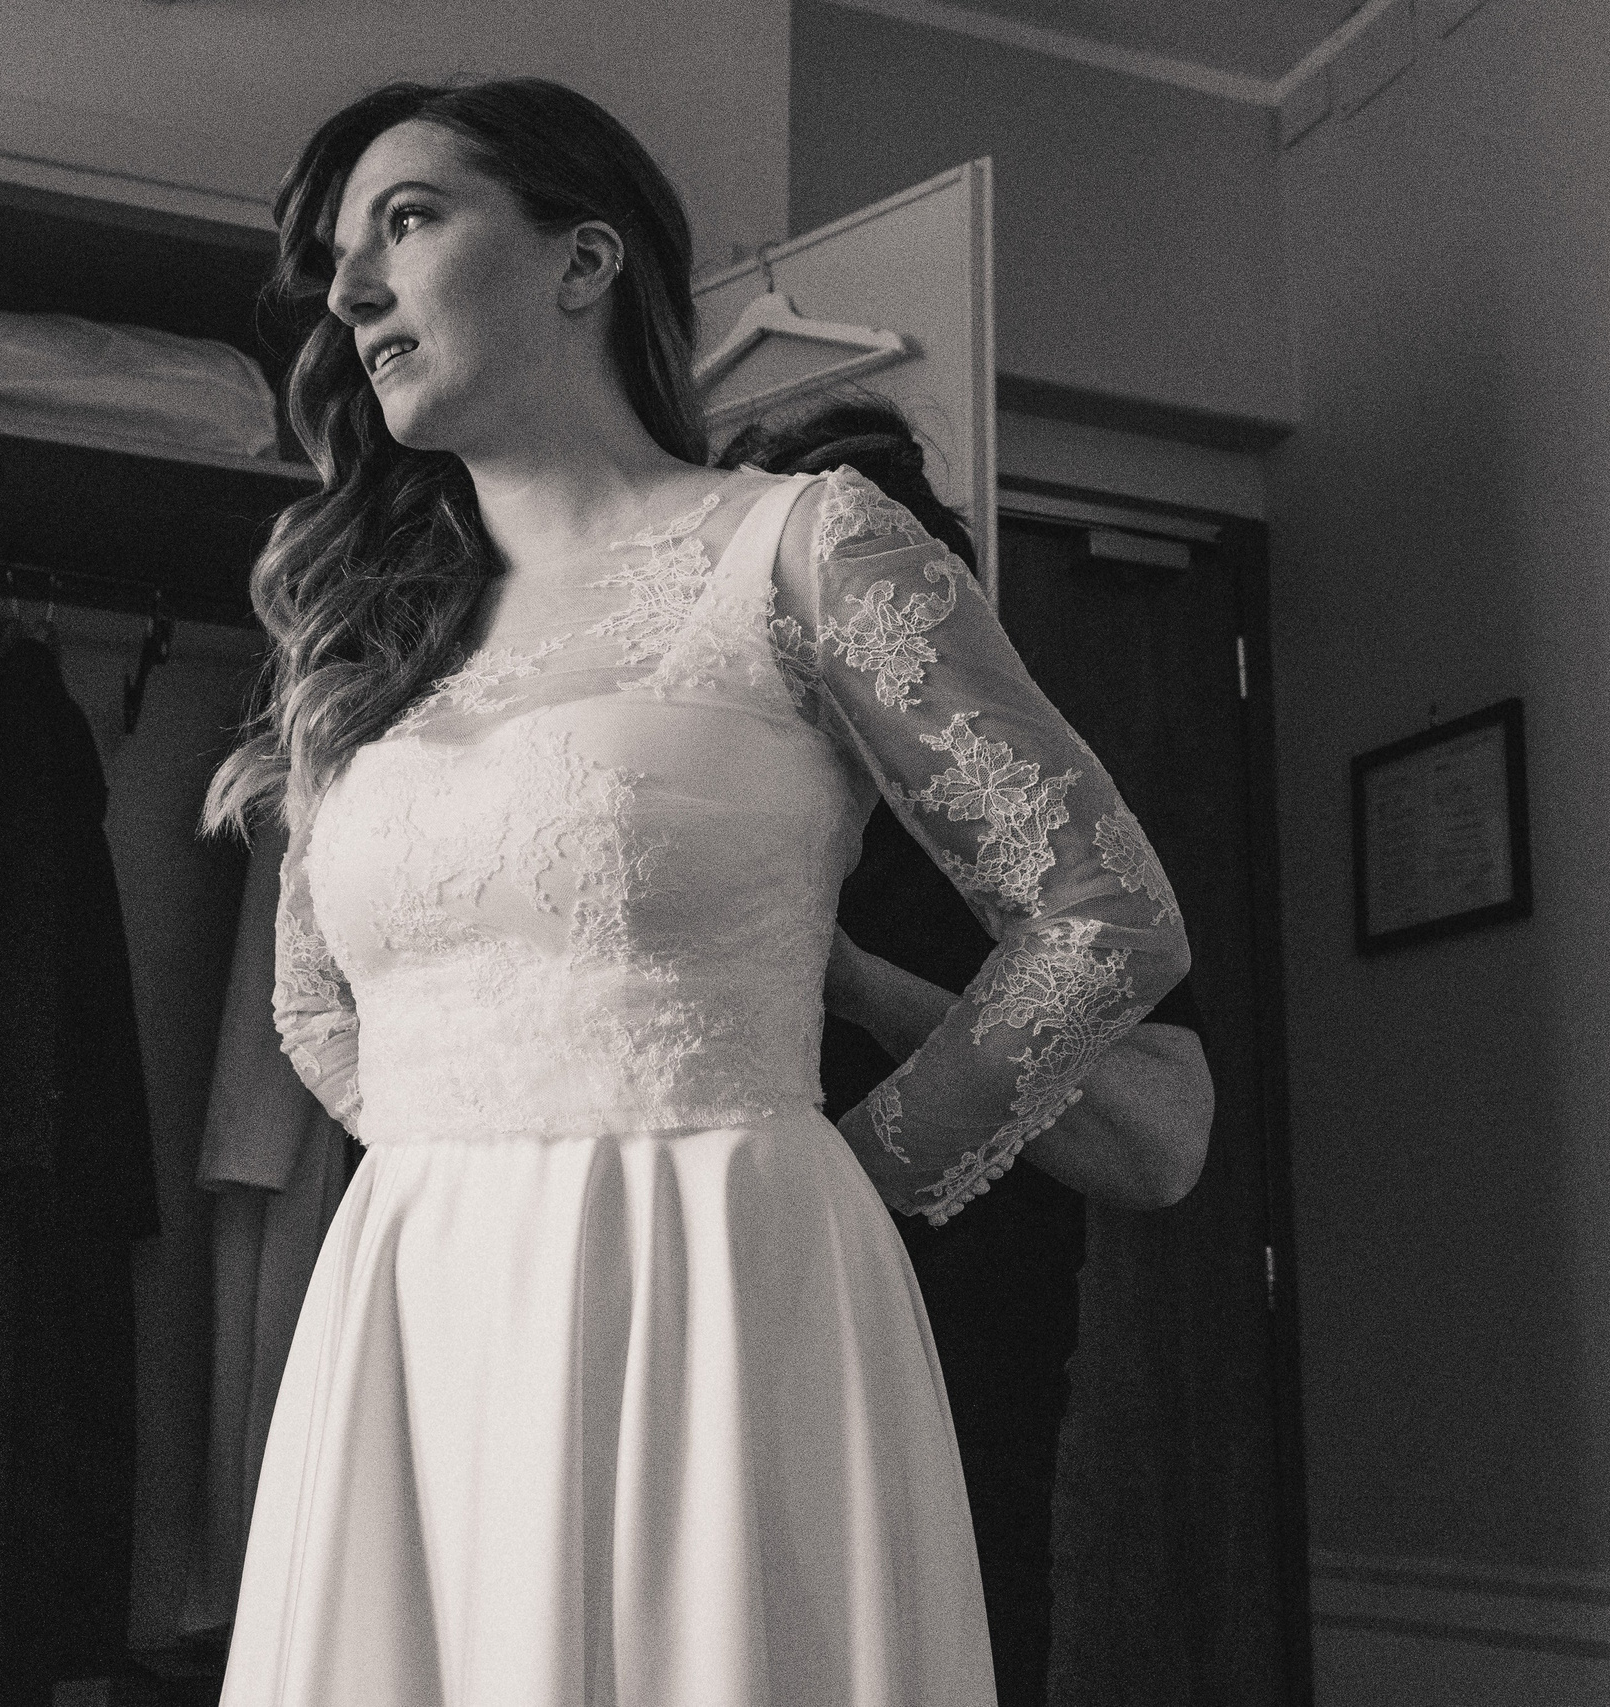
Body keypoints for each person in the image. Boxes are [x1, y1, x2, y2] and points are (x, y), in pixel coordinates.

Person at [203, 77, 1191, 1707]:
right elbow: (315, 1002)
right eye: (333, 260)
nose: (353, 289)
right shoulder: (365, 637)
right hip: (418, 1320)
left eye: (407, 221)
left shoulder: (805, 547)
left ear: (584, 258)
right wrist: (475, 1195)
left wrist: (861, 1171)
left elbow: (1103, 915)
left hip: (725, 1301)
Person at [720, 399, 1215, 1705]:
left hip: (955, 1426)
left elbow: (1166, 1144)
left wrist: (871, 988)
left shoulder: (1036, 848)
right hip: (717, 1411)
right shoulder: (684, 827)